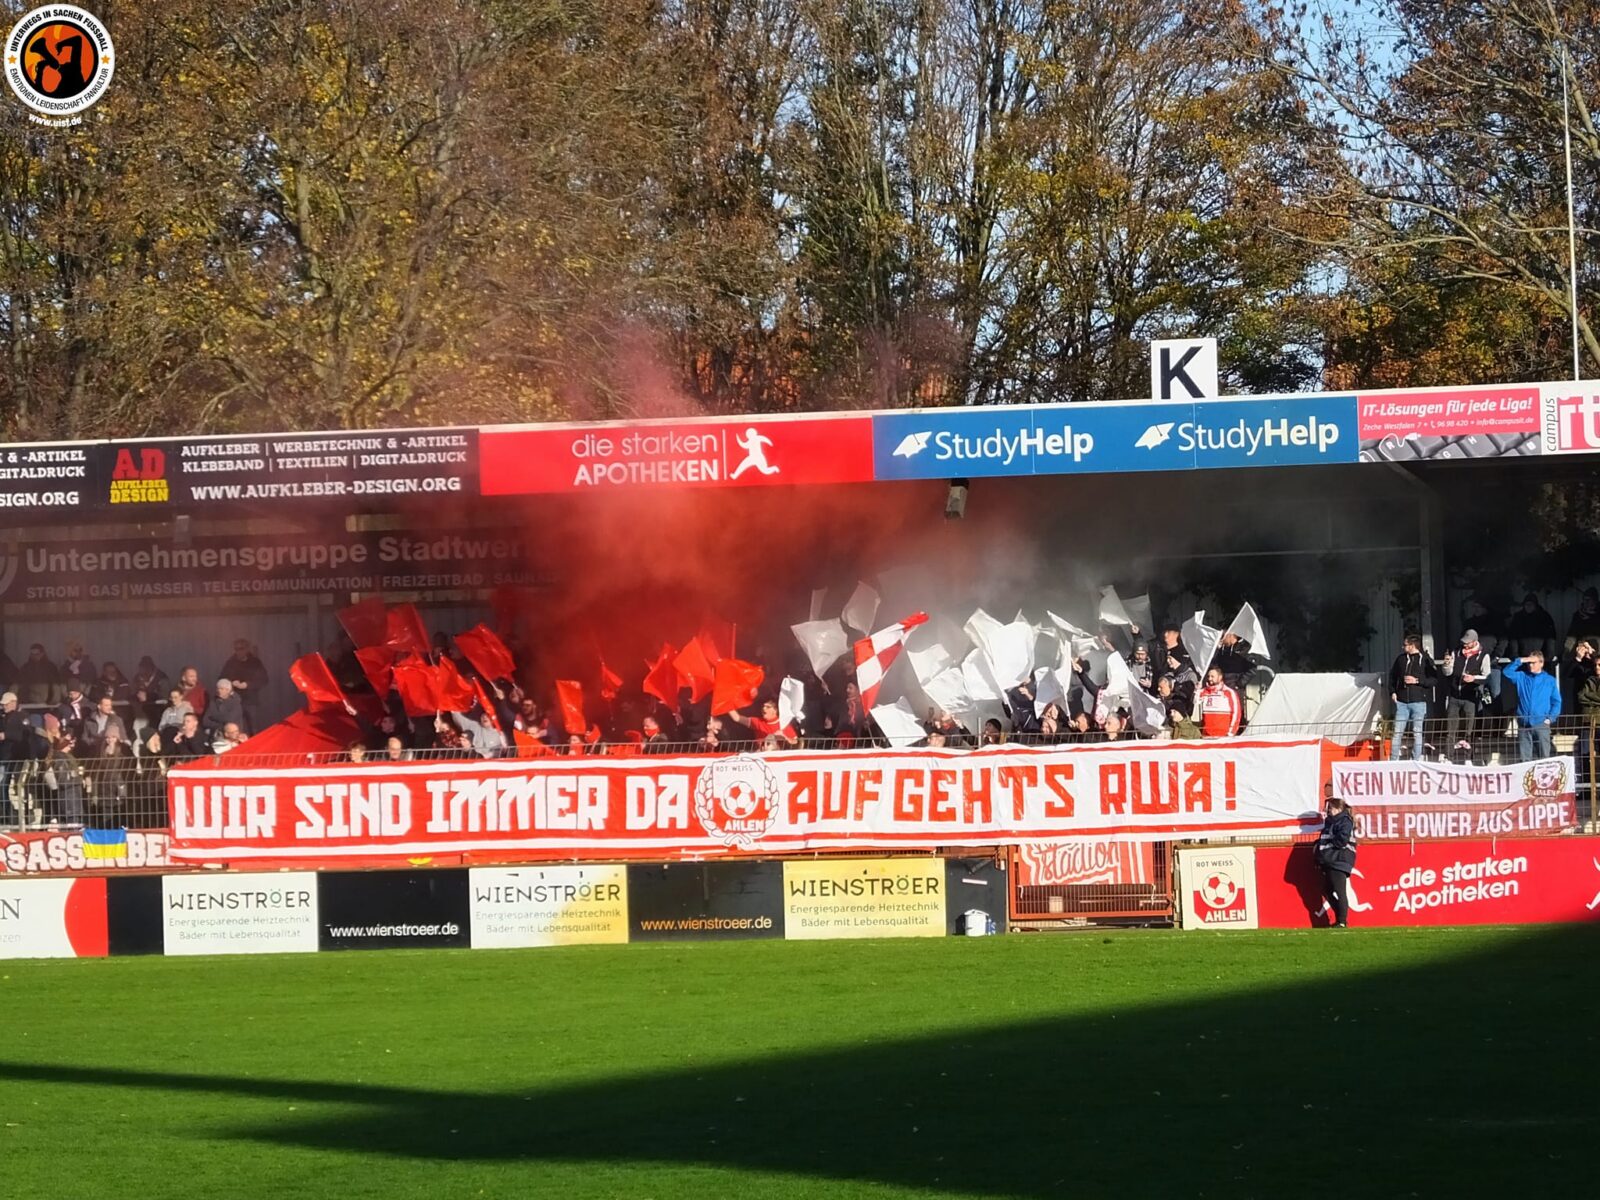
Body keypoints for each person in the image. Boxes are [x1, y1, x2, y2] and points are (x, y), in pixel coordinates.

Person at [1441, 630, 1493, 763]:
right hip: (1454, 696)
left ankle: (1468, 758)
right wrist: (1446, 665)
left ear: (1475, 642)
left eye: (1467, 644)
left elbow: (1487, 676)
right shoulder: (1455, 652)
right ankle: (1448, 757)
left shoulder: (1484, 655)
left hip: (1470, 696)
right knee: (1450, 729)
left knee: (1470, 729)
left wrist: (1474, 678)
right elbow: (1448, 673)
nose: (1464, 646)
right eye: (1463, 643)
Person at [1387, 633, 1437, 761]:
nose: (1403, 647)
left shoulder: (1425, 659)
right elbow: (1392, 676)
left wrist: (1417, 681)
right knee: (1397, 733)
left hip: (1418, 701)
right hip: (1402, 702)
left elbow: (1433, 679)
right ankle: (1393, 760)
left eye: (1405, 645)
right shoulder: (1401, 659)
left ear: (1412, 645)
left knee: (1417, 733)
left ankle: (1415, 759)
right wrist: (1392, 691)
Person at [1503, 651, 1561, 760]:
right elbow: (1507, 672)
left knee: (1544, 757)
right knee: (1525, 759)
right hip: (1524, 724)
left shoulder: (1549, 680)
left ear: (1541, 663)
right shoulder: (1522, 677)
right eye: (1529, 663)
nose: (1530, 665)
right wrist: (1521, 660)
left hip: (1541, 723)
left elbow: (1556, 701)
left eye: (1533, 662)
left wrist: (1550, 718)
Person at [1314, 788, 1358, 928]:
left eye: (1331, 809)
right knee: (1327, 890)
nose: (1328, 811)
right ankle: (1340, 918)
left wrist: (1330, 846)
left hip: (1339, 860)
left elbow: (1342, 840)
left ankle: (1342, 921)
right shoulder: (1331, 822)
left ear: (1338, 809)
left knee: (1339, 891)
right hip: (1331, 860)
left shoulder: (1344, 821)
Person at [219, 639, 270, 733]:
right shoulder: (230, 663)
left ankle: (255, 746)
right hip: (234, 701)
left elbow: (263, 680)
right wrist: (230, 683)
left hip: (250, 701)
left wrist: (247, 685)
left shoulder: (255, 663)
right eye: (236, 649)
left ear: (247, 649)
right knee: (235, 728)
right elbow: (221, 679)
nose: (238, 651)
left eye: (241, 648)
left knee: (253, 728)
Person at [0, 691, 35, 811]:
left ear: (14, 703)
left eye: (6, 704)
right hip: (5, 758)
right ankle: (6, 812)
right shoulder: (3, 718)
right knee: (3, 785)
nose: (4, 707)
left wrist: (7, 735)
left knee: (22, 786)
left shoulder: (23, 717)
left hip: (19, 758)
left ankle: (25, 811)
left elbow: (26, 735)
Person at [1505, 593, 1557, 660]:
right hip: (1522, 657)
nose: (1528, 606)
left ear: (1535, 605)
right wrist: (1514, 654)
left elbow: (1550, 637)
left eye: (1531, 604)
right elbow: (1513, 637)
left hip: (1540, 657)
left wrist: (1550, 654)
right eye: (1526, 604)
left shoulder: (1544, 617)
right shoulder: (1518, 618)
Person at [1195, 667, 1242, 737]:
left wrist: (1231, 733)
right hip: (1207, 736)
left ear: (1220, 677)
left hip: (1223, 736)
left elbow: (1236, 714)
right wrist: (1197, 689)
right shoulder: (1204, 691)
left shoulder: (1229, 692)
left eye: (1212, 676)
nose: (1209, 679)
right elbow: (1195, 701)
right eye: (1208, 676)